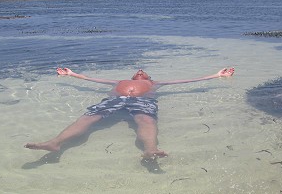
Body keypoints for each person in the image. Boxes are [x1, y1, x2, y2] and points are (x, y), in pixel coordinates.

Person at [25, 67, 235, 159]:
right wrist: (71, 75)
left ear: (148, 77)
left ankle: (151, 149)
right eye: (138, 72)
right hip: (114, 100)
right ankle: (55, 143)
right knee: (87, 119)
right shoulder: (119, 82)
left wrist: (216, 75)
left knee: (146, 122)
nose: (140, 71)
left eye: (143, 72)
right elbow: (90, 79)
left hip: (143, 101)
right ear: (132, 76)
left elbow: (187, 81)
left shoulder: (153, 83)